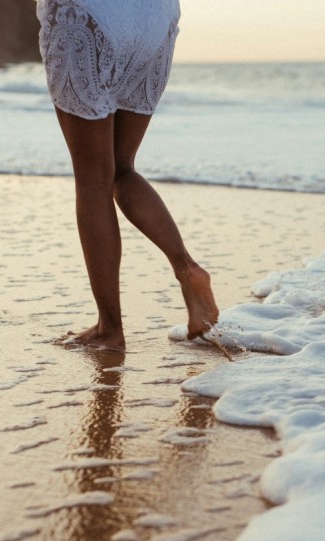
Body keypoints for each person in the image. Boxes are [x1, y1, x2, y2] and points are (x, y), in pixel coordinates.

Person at [36, 0, 218, 351]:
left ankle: (110, 328)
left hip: (88, 17)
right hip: (154, 21)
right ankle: (187, 269)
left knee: (93, 181)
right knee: (122, 168)